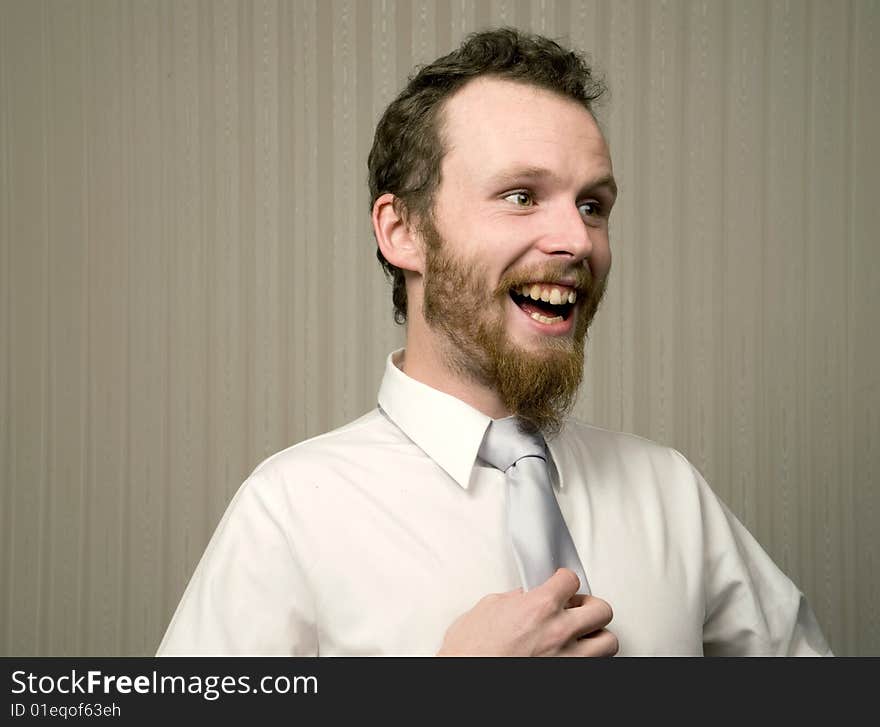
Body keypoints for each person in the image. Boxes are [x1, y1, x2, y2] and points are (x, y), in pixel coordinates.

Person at [157, 28, 831, 656]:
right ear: (403, 231)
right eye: (520, 196)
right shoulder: (289, 513)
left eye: (592, 204)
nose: (576, 239)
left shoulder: (672, 496)